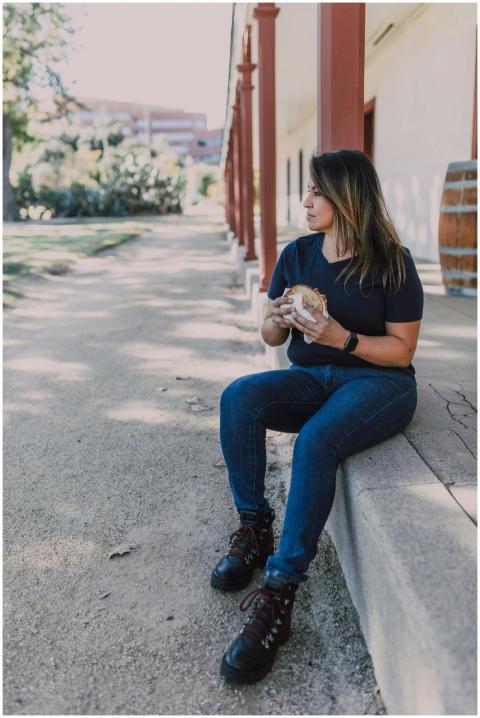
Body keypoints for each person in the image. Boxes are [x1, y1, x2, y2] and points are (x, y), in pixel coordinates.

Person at [211, 148, 424, 685]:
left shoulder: (392, 261)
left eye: (315, 191)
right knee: (239, 397)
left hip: (380, 383)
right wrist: (277, 319)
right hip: (310, 377)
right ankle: (255, 527)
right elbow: (270, 333)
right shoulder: (298, 253)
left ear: (346, 197)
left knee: (316, 440)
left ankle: (279, 592)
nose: (304, 200)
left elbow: (401, 352)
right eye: (305, 190)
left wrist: (341, 337)